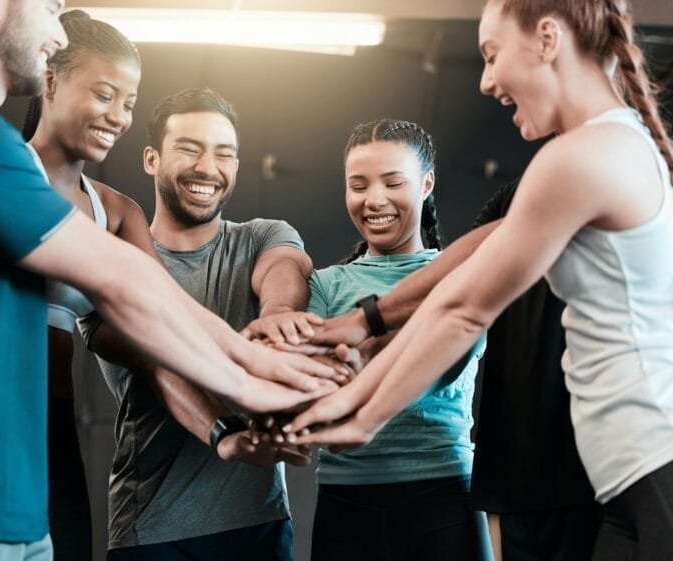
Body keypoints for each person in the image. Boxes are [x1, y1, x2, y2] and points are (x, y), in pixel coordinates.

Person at [0, 1, 333, 558]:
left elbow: (138, 294)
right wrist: (256, 378)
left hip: (10, 479)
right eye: (51, 6)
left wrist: (251, 383)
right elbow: (125, 286)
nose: (58, 30)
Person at [288, 1, 673, 560]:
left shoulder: (582, 156)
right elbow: (479, 250)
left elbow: (463, 309)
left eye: (492, 56)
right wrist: (364, 321)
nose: (488, 82)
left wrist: (360, 418)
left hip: (655, 473)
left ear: (547, 39)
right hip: (630, 482)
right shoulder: (615, 143)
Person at [76, 87, 334, 561]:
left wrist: (277, 316)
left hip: (260, 524)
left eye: (224, 154)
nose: (207, 168)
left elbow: (285, 267)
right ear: (152, 159)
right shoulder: (113, 263)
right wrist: (223, 435)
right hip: (153, 531)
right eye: (189, 149)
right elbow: (157, 361)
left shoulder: (262, 237)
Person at [299, 119, 488, 561]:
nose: (374, 200)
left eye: (393, 182)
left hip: (443, 495)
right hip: (345, 503)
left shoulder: (465, 275)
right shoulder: (325, 285)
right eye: (358, 185)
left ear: (427, 183)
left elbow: (445, 356)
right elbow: (314, 374)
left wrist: (357, 354)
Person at [20, 10, 150, 561]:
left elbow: (154, 323)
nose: (118, 116)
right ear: (50, 78)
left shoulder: (117, 211)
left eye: (129, 102)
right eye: (104, 93)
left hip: (54, 426)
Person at [472, 180, 601, 561]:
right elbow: (459, 292)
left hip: (598, 467)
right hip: (517, 469)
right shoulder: (512, 198)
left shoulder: (629, 182)